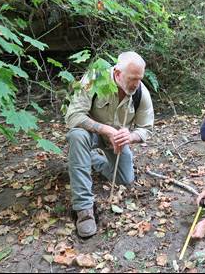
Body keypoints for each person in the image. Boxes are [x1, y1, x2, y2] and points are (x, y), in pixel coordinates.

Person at [65, 51, 154, 237]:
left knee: (125, 178)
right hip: (92, 134)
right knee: (77, 136)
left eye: (139, 79)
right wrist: (107, 130)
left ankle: (90, 160)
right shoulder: (94, 79)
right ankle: (84, 210)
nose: (136, 84)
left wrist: (130, 137)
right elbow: (73, 116)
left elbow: (146, 129)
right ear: (117, 73)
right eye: (132, 79)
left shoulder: (140, 92)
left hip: (119, 141)